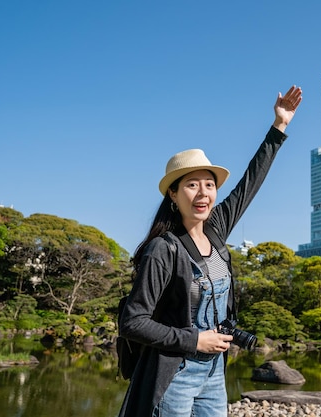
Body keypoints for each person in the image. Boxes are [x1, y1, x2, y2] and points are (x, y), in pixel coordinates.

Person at [118, 85, 302, 417]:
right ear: (173, 195)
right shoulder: (164, 250)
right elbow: (133, 322)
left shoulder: (216, 231)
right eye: (191, 184)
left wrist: (279, 127)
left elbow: (249, 183)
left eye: (209, 184)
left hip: (214, 374)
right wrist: (194, 341)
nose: (203, 193)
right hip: (176, 374)